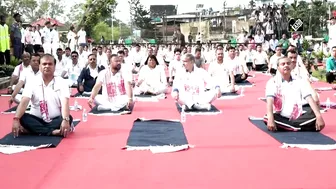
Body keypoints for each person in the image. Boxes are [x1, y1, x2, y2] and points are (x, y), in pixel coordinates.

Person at [12, 54, 73, 137]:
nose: (47, 66)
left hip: (55, 120)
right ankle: (52, 132)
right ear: (40, 66)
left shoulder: (62, 82)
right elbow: (24, 102)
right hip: (36, 119)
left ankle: (33, 131)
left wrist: (65, 120)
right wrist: (16, 119)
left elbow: (65, 103)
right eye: (44, 64)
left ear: (54, 66)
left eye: (50, 64)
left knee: (68, 117)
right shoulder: (32, 82)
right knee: (23, 118)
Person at [264, 57, 325, 132]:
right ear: (278, 68)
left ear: (292, 66)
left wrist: (319, 116)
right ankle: (299, 127)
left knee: (315, 115)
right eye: (283, 64)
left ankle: (290, 126)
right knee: (267, 117)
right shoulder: (272, 82)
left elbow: (309, 98)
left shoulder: (299, 81)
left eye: (288, 63)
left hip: (299, 116)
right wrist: (270, 119)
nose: (286, 65)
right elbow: (269, 102)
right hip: (281, 116)